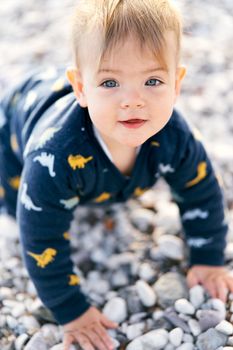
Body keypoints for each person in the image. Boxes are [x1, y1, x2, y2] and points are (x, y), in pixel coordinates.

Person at [0, 0, 233, 349]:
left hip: (86, 145)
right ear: (80, 87)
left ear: (176, 84)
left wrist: (208, 258)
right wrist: (70, 310)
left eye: (152, 80)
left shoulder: (176, 137)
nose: (133, 100)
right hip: (17, 125)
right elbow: (40, 237)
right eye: (110, 83)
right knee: (16, 205)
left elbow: (201, 191)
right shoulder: (52, 156)